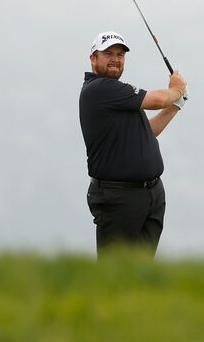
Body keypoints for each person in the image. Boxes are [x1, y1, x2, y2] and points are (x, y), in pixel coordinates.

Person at [79, 31, 187, 258]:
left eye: (120, 54)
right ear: (93, 58)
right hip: (118, 197)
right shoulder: (99, 89)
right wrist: (175, 89)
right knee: (114, 273)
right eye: (107, 53)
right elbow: (157, 100)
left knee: (141, 272)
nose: (115, 59)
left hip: (150, 195)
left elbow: (148, 132)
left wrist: (176, 105)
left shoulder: (118, 98)